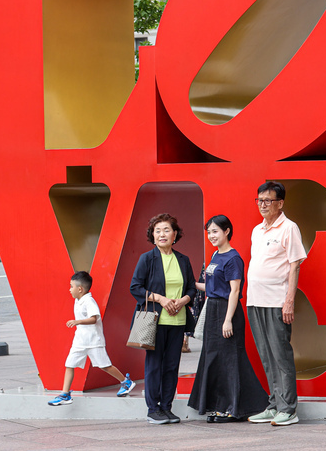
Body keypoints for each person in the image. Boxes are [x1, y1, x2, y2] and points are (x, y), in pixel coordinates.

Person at [187, 215, 268, 422]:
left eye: (215, 231)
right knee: (213, 359)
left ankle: (233, 409)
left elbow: (234, 291)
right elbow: (212, 288)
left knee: (230, 361)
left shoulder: (233, 258)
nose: (211, 236)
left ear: (227, 231)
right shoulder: (215, 256)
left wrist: (228, 319)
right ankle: (218, 405)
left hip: (226, 312)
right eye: (209, 232)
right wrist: (189, 283)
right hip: (213, 309)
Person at [246, 181, 307, 427]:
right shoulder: (257, 230)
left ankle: (288, 409)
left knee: (280, 355)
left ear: (280, 203)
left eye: (268, 201)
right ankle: (274, 405)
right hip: (255, 301)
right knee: (266, 355)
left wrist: (289, 301)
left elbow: (295, 265)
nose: (262, 205)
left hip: (276, 302)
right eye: (259, 200)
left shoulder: (289, 228)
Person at [129, 213, 196, 424]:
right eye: (157, 231)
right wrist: (160, 299)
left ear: (175, 234)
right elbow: (135, 287)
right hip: (154, 321)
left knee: (171, 366)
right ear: (153, 235)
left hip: (177, 321)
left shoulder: (183, 260)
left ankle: (166, 407)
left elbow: (192, 288)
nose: (162, 234)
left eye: (166, 230)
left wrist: (184, 300)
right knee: (155, 366)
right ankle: (152, 409)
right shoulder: (147, 259)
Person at [48, 271, 135, 406]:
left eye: (71, 286)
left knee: (105, 365)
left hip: (94, 341)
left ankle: (126, 381)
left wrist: (78, 321)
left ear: (80, 289)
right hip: (80, 341)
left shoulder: (89, 301)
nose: (69, 289)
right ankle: (65, 394)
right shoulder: (78, 300)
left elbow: (94, 318)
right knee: (69, 364)